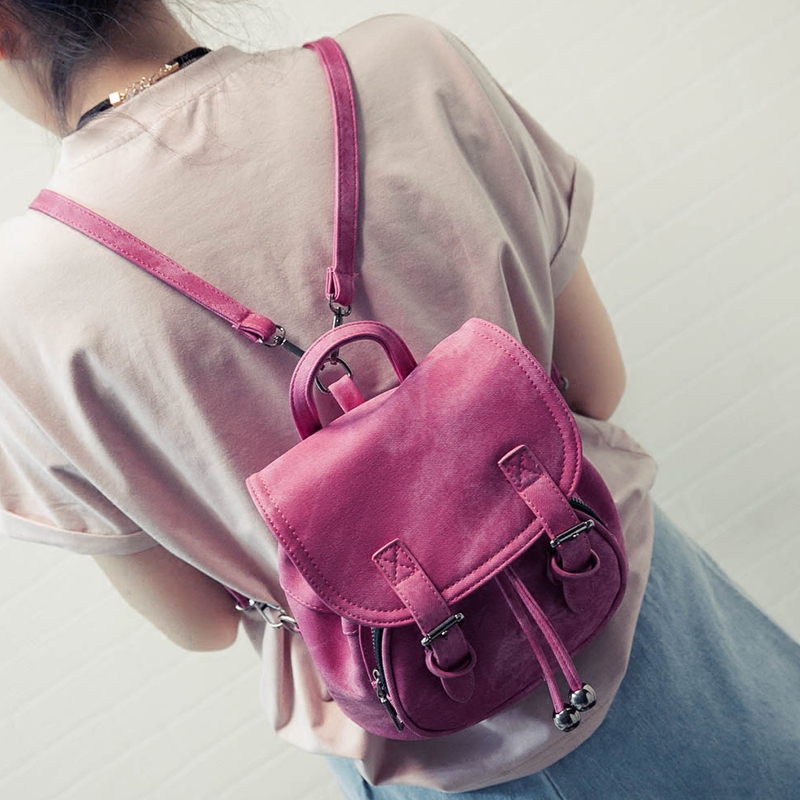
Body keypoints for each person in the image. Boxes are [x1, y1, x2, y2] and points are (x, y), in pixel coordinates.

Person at [0, 2, 797, 798]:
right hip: (633, 615)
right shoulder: (408, 63)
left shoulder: (23, 304)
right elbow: (596, 382)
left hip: (409, 731)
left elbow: (201, 624)